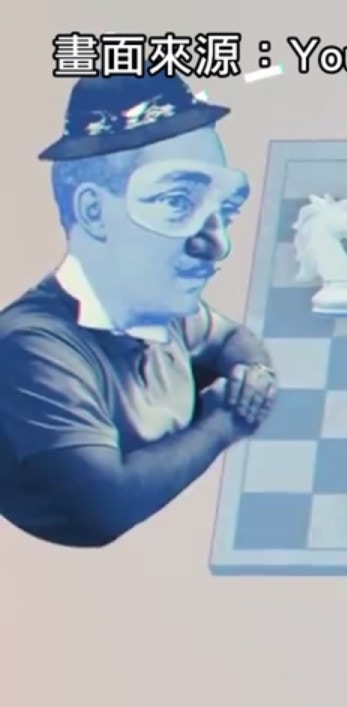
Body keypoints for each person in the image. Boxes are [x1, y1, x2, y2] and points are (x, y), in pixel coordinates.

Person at [0, 72, 276, 548]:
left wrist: (253, 373)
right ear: (92, 211)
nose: (218, 244)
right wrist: (225, 422)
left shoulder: (153, 301)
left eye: (222, 209)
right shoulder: (32, 348)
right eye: (177, 202)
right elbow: (108, 508)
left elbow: (230, 338)